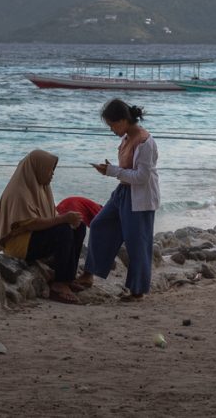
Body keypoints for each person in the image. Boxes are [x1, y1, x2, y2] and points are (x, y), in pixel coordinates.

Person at [75, 99, 160, 301]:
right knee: (98, 225)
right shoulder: (127, 138)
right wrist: (112, 170)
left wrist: (112, 171)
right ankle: (89, 274)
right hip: (123, 192)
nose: (112, 130)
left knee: (137, 243)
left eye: (112, 125)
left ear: (122, 120)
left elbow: (142, 177)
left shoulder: (145, 141)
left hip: (140, 197)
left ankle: (137, 291)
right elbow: (128, 171)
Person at [0, 149, 85, 305]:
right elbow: (31, 222)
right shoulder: (18, 191)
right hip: (20, 244)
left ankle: (68, 277)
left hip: (34, 237)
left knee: (78, 228)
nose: (52, 175)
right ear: (38, 168)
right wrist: (63, 219)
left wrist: (68, 219)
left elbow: (50, 215)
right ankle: (59, 284)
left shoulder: (41, 187)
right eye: (50, 170)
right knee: (63, 230)